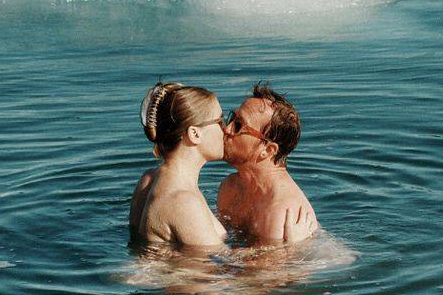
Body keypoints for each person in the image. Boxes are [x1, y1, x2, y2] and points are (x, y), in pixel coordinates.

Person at [128, 81, 228, 252]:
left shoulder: (149, 179)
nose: (226, 130)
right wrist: (287, 253)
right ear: (195, 134)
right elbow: (221, 268)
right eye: (219, 122)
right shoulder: (183, 202)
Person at [216, 83, 318, 246]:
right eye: (231, 118)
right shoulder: (230, 186)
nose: (226, 129)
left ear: (268, 149)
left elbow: (262, 271)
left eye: (238, 126)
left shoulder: (282, 213)